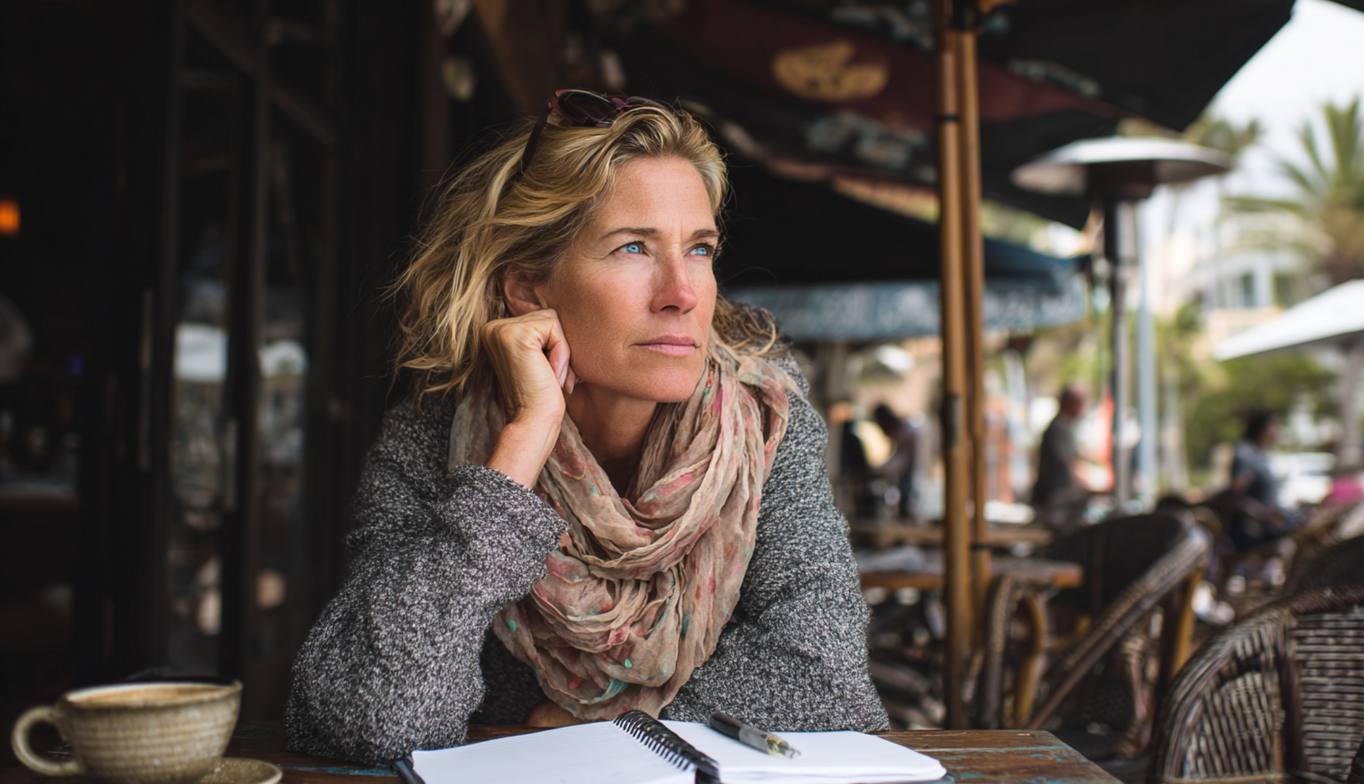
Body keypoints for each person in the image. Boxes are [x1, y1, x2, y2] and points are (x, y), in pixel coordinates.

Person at [283, 90, 887, 763]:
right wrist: (516, 452)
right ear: (530, 289)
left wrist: (617, 739)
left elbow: (827, 672)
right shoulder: (432, 440)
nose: (682, 294)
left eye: (700, 249)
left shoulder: (765, 425)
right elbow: (370, 716)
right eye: (633, 247)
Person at [1224, 409, 1300, 549]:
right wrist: (1266, 515)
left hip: (1274, 519)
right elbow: (1236, 496)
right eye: (1274, 426)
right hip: (1255, 528)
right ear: (1261, 428)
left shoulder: (1265, 455)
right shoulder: (1246, 454)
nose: (1278, 430)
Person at [1030, 384, 1090, 532]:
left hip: (1054, 496)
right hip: (1054, 499)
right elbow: (1066, 464)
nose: (1083, 408)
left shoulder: (1063, 426)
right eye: (1079, 402)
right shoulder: (1059, 428)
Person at [872, 403, 930, 520]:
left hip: (914, 485)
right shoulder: (904, 431)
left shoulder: (907, 432)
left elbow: (902, 461)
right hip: (913, 483)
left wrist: (879, 470)